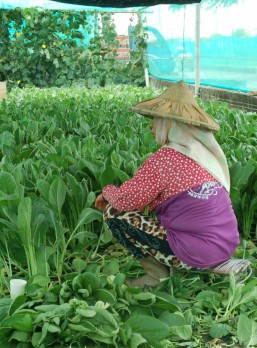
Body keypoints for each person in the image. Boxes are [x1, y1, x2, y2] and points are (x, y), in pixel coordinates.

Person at [94, 81, 240, 287]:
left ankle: (156, 276)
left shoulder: (167, 159)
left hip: (198, 251)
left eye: (157, 120)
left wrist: (107, 192)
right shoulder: (204, 157)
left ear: (172, 124)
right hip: (224, 246)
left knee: (114, 213)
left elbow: (126, 201)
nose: (151, 126)